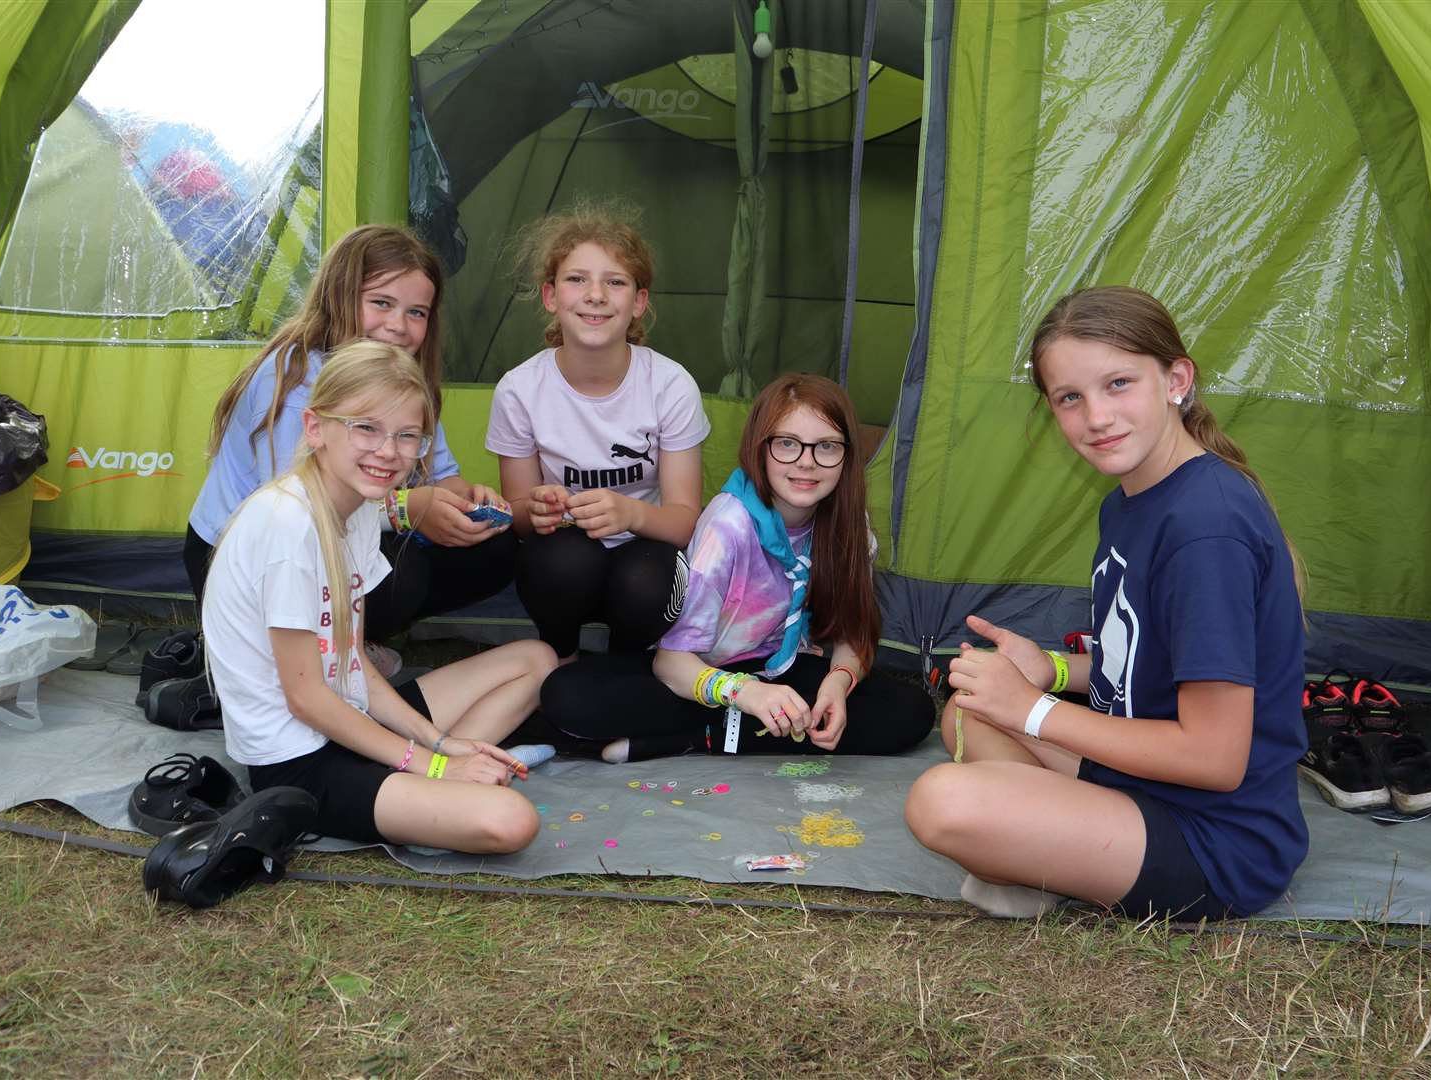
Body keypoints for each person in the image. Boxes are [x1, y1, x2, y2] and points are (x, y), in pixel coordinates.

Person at [904, 286, 1308, 921]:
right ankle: (1051, 854)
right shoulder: (1130, 500)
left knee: (943, 803)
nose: (1097, 416)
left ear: (1176, 379)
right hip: (1144, 785)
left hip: (1217, 842)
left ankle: (1048, 858)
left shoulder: (1207, 528)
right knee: (965, 717)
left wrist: (1034, 711)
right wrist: (1052, 672)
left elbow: (1215, 759)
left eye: (1118, 383)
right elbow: (1147, 661)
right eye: (1070, 397)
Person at [201, 340, 555, 851]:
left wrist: (441, 744)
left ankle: (437, 778)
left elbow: (353, 664)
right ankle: (432, 785)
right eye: (365, 427)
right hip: (300, 762)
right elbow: (306, 699)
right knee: (511, 821)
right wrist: (432, 763)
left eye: (407, 436)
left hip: (353, 720)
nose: (388, 451)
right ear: (316, 428)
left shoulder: (361, 511)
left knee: (537, 660)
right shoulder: (287, 525)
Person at [540, 374, 934, 762]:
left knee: (911, 712)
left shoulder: (850, 527)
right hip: (703, 674)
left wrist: (838, 682)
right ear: (759, 449)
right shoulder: (729, 525)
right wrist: (747, 695)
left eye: (826, 447)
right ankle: (733, 730)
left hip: (783, 667)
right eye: (787, 444)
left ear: (847, 455)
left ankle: (693, 738)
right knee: (568, 696)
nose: (806, 463)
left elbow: (855, 635)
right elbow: (671, 661)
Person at [187, 225, 516, 673]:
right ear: (341, 296)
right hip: (250, 556)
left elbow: (442, 475)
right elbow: (291, 507)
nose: (398, 326)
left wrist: (469, 504)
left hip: (351, 531)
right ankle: (314, 651)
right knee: (404, 575)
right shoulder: (293, 374)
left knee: (494, 551)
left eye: (416, 312)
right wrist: (410, 509)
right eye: (380, 303)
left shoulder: (403, 377)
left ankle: (351, 639)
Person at [486, 202, 709, 659]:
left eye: (615, 281)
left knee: (648, 579)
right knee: (561, 560)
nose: (596, 294)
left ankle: (628, 661)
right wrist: (539, 509)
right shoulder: (520, 389)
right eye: (577, 279)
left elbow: (685, 519)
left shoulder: (670, 385)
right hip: (567, 551)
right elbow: (517, 514)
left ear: (639, 302)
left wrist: (630, 515)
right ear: (551, 296)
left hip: (645, 545)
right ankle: (560, 655)